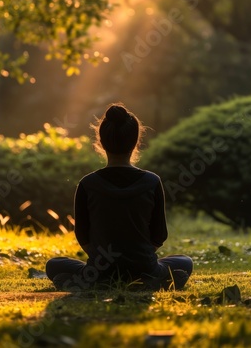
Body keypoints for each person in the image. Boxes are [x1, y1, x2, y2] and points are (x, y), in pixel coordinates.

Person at [46, 103, 193, 291]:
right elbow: (159, 235)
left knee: (54, 265)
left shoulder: (87, 184)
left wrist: (106, 263)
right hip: (144, 269)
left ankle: (93, 281)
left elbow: (83, 236)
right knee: (184, 262)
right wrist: (134, 259)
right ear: (136, 141)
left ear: (101, 141)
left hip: (99, 270)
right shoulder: (152, 181)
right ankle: (152, 280)